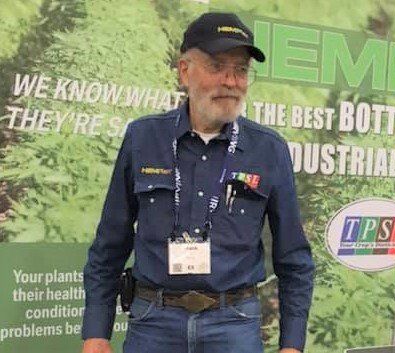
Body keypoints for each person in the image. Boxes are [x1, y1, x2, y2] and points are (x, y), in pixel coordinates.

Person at [80, 12, 314, 353]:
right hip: (153, 323)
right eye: (218, 66)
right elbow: (109, 244)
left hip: (233, 324)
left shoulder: (268, 149)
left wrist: (292, 344)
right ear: (184, 71)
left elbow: (294, 257)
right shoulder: (143, 137)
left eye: (241, 70)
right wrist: (96, 332)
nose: (231, 81)